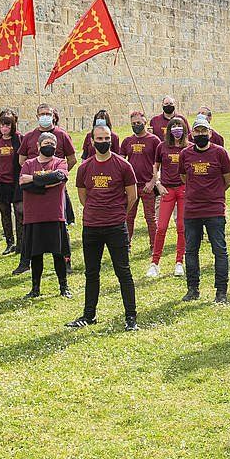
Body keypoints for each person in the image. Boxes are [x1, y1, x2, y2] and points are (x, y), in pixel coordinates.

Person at [69, 124, 139, 329]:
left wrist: (118, 214)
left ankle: (131, 317)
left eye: (106, 138)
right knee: (91, 273)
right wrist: (96, 211)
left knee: (123, 272)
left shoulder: (123, 165)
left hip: (115, 226)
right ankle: (88, 315)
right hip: (91, 226)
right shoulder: (84, 167)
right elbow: (83, 197)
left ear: (112, 139)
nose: (102, 142)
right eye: (98, 139)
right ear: (92, 141)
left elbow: (132, 196)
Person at [182, 115, 230, 304]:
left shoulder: (220, 153)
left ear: (210, 133)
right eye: (198, 131)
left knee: (219, 251)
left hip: (214, 210)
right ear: (192, 133)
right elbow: (183, 177)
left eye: (204, 131)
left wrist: (214, 193)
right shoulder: (185, 154)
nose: (201, 134)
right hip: (192, 210)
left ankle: (221, 291)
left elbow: (228, 179)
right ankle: (192, 288)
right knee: (191, 251)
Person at [19, 103, 77, 271]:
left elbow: (71, 159)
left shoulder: (62, 135)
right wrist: (41, 179)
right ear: (37, 116)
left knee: (61, 225)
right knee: (32, 227)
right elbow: (22, 161)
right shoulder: (29, 136)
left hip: (57, 188)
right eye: (41, 113)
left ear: (53, 115)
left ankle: (66, 262)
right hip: (33, 190)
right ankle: (25, 262)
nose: (45, 116)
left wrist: (59, 175)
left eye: (48, 113)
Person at [20, 131, 72, 299]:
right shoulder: (28, 163)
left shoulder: (60, 162)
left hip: (54, 215)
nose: (49, 146)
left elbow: (60, 177)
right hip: (34, 216)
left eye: (52, 144)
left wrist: (33, 179)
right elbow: (23, 184)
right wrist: (46, 182)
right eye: (45, 143)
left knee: (59, 254)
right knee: (36, 255)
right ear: (38, 146)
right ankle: (35, 288)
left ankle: (64, 287)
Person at [150, 114, 190, 278]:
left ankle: (179, 262)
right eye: (173, 126)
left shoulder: (189, 147)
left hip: (183, 190)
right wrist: (157, 183)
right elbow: (156, 166)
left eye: (179, 126)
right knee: (162, 227)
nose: (176, 129)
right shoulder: (162, 146)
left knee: (181, 227)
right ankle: (154, 263)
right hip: (167, 189)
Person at [121, 111, 161, 249]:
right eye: (133, 124)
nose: (136, 125)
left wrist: (152, 182)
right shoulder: (127, 141)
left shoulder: (154, 140)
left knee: (150, 218)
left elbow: (158, 164)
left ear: (145, 122)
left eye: (138, 123)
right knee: (128, 216)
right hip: (132, 186)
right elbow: (121, 162)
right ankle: (126, 244)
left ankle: (154, 246)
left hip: (147, 185)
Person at [0, 109, 23, 254]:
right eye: (2, 125)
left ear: (13, 125)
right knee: (5, 213)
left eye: (7, 125)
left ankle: (21, 244)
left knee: (20, 212)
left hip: (15, 182)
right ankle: (9, 242)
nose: (5, 128)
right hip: (0, 182)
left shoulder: (19, 138)